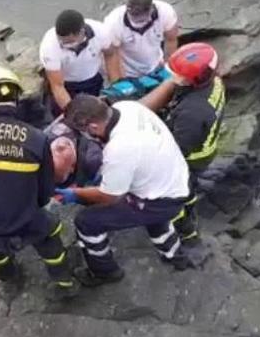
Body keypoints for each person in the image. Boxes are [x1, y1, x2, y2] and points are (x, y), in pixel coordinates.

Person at [0, 66, 78, 300]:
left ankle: (9, 279)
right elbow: (45, 190)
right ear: (16, 98)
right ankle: (64, 282)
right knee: (49, 234)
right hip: (22, 216)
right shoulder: (36, 138)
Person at [56, 94, 193, 287]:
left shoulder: (119, 150)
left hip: (160, 199)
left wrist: (74, 194)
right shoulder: (127, 107)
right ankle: (173, 253)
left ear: (93, 127)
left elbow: (109, 197)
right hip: (176, 179)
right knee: (153, 216)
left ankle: (104, 272)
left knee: (86, 222)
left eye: (82, 130)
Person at [140, 43, 226, 257]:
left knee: (176, 191)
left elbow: (177, 150)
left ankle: (186, 232)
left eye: (178, 75)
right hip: (203, 146)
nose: (173, 78)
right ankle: (189, 204)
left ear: (193, 80)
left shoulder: (193, 113)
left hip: (190, 157)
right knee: (189, 187)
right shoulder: (214, 82)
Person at [39, 9, 120, 116]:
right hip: (66, 84)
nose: (64, 44)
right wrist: (73, 115)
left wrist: (116, 85)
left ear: (82, 32)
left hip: (92, 80)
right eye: (62, 41)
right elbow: (58, 86)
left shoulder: (100, 32)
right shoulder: (49, 46)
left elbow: (111, 55)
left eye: (69, 42)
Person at [102, 0, 179, 80]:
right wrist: (122, 80)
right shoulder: (113, 23)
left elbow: (171, 40)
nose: (138, 22)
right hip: (128, 72)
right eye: (134, 17)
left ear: (151, 9)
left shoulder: (165, 12)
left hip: (157, 64)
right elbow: (113, 57)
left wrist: (168, 66)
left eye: (141, 20)